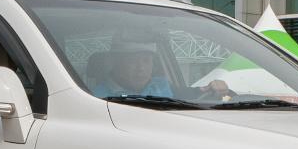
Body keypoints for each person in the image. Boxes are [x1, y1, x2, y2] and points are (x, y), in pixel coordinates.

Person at [91, 37, 231, 100]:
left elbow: (196, 94)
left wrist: (217, 88)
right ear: (117, 64)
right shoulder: (98, 97)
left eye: (146, 61)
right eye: (132, 61)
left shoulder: (161, 85)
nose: (141, 68)